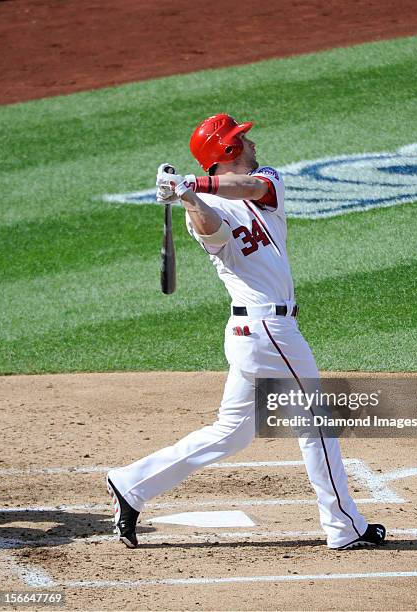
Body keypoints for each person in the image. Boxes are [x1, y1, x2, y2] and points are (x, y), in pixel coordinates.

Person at [106, 114, 386, 550]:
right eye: (241, 139)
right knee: (316, 423)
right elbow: (212, 232)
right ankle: (345, 527)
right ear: (228, 151)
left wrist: (193, 185)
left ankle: (131, 483)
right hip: (264, 329)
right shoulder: (201, 207)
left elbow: (252, 189)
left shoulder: (264, 181)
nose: (251, 141)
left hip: (261, 331)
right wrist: (189, 200)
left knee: (232, 431)